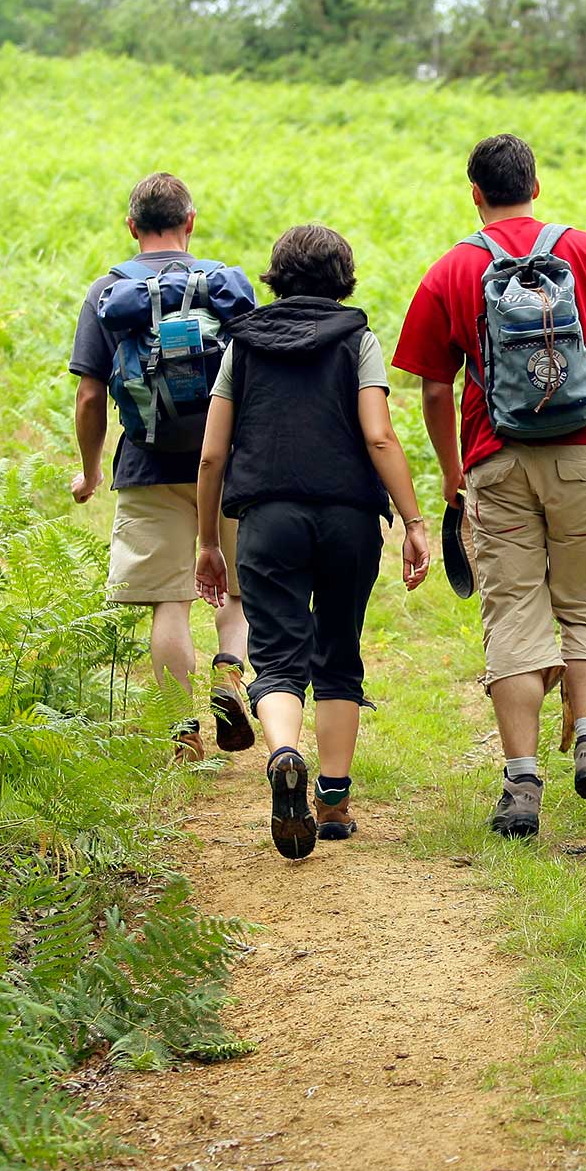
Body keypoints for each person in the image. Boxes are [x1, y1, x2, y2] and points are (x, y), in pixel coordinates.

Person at [392, 133, 586, 839]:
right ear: (535, 184)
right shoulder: (585, 252)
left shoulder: (452, 267)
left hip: (495, 460)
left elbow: (431, 388)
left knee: (513, 615)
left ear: (474, 193)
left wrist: (455, 476)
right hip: (585, 452)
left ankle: (521, 782)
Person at [194, 225, 432, 859]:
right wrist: (413, 522)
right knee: (337, 650)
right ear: (342, 278)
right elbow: (379, 436)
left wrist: (206, 541)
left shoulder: (241, 347)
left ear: (277, 277)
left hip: (266, 517)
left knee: (275, 656)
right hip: (348, 518)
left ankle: (284, 755)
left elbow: (213, 453)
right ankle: (333, 799)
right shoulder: (358, 339)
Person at [68, 172, 255, 760]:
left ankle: (184, 735)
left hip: (147, 464)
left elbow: (91, 396)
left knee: (171, 602)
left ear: (131, 227)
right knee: (238, 594)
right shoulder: (224, 286)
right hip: (227, 464)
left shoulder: (108, 291)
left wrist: (92, 470)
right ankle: (229, 671)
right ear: (190, 222)